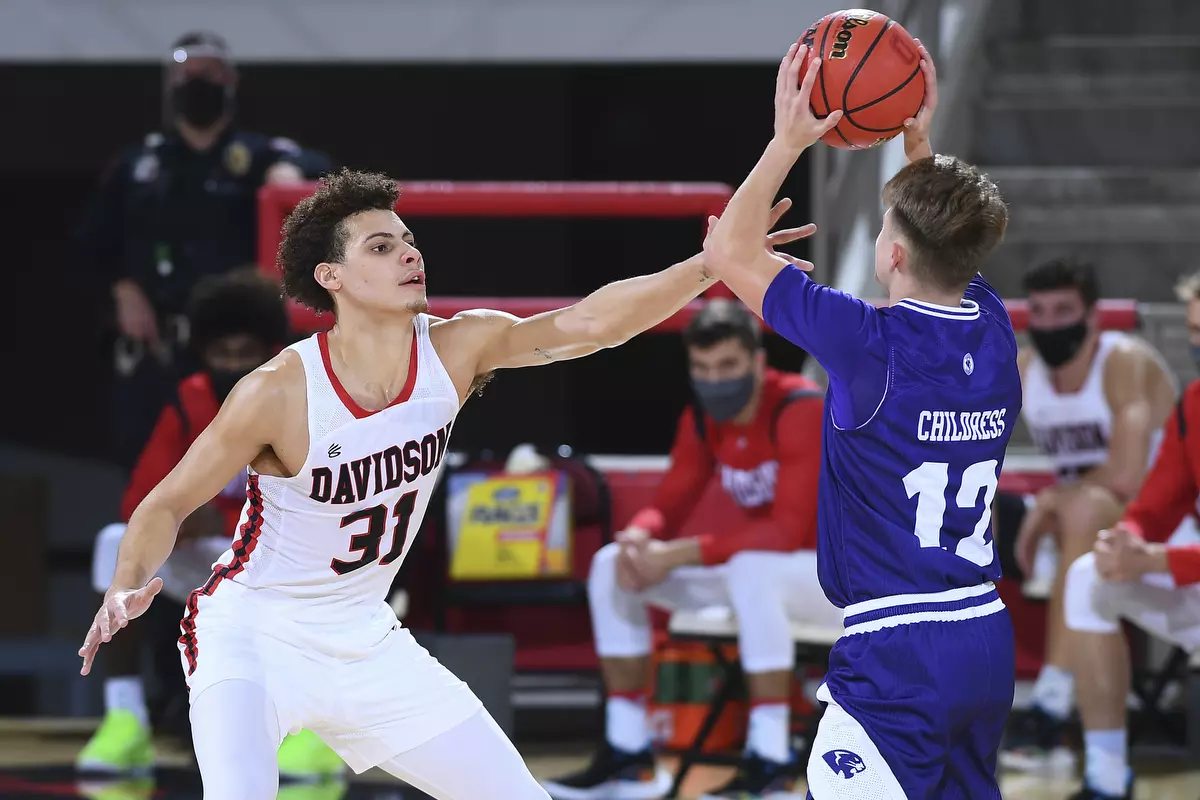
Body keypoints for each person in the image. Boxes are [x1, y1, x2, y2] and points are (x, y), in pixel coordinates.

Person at [77, 168, 813, 800]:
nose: (408, 253)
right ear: (331, 278)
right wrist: (125, 584)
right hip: (253, 634)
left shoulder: (459, 349)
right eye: (381, 245)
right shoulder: (278, 391)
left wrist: (709, 266)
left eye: (407, 239)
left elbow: (594, 324)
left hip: (366, 639)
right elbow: (166, 500)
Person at [702, 39, 1018, 798]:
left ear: (894, 258)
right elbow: (944, 244)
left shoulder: (868, 342)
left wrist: (787, 139)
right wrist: (920, 153)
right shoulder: (994, 324)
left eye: (884, 233)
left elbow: (727, 249)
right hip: (983, 632)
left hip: (898, 647)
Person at [542, 299, 838, 799]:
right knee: (611, 565)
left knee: (752, 569)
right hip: (760, 584)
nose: (715, 380)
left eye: (727, 366)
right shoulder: (703, 419)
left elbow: (784, 532)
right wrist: (639, 534)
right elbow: (668, 506)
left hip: (832, 583)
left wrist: (674, 554)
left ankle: (773, 759)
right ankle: (629, 755)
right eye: (702, 369)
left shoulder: (799, 409)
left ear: (758, 363)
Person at [77, 269, 345, 781]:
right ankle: (124, 721)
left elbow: (334, 500)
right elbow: (141, 501)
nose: (231, 366)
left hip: (294, 555)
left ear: (272, 347)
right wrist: (178, 519)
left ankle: (312, 732)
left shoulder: (310, 396)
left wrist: (226, 516)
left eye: (244, 353)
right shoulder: (188, 398)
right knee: (115, 544)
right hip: (220, 553)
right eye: (219, 355)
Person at [74, 30, 332, 472]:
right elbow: (91, 245)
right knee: (150, 475)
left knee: (255, 471)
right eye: (185, 74)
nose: (196, 82)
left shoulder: (256, 155)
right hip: (160, 348)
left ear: (230, 81)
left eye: (208, 73)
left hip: (239, 353)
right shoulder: (138, 165)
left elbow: (320, 171)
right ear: (169, 86)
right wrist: (123, 290)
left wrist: (290, 175)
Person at [994, 260, 1177, 772]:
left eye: (1064, 310)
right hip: (1081, 519)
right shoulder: (1026, 368)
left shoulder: (1124, 362)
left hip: (1160, 522)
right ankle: (947, 690)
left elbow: (1126, 476)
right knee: (969, 511)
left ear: (1093, 316)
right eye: (1041, 311)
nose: (1050, 323)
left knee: (1084, 505)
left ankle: (1051, 704)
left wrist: (1052, 502)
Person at [1059, 272, 1200, 800]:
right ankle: (1106, 775)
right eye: (1192, 331)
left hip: (1183, 567)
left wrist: (1157, 561)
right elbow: (1153, 507)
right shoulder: (1193, 405)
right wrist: (1124, 542)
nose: (1197, 345)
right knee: (1087, 578)